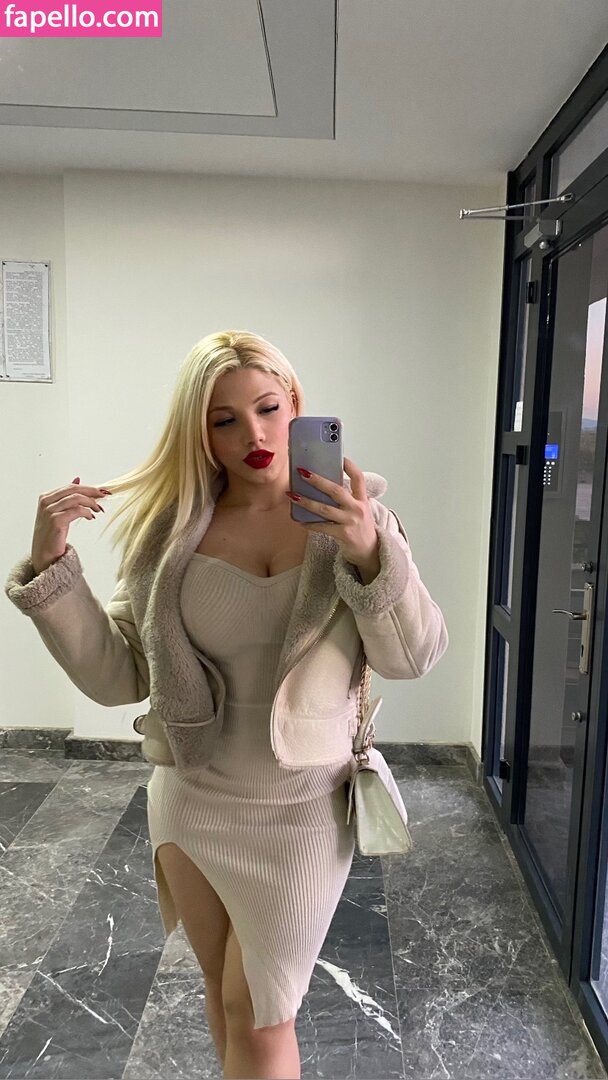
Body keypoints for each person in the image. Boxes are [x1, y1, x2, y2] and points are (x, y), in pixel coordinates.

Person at [5, 329, 449, 1080]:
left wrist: (371, 553)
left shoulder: (360, 521)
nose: (255, 435)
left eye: (269, 408)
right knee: (222, 991)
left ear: (296, 406)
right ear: (200, 433)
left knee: (264, 1014)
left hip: (304, 809)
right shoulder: (169, 536)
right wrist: (53, 572)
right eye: (225, 420)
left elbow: (414, 656)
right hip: (193, 798)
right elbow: (120, 676)